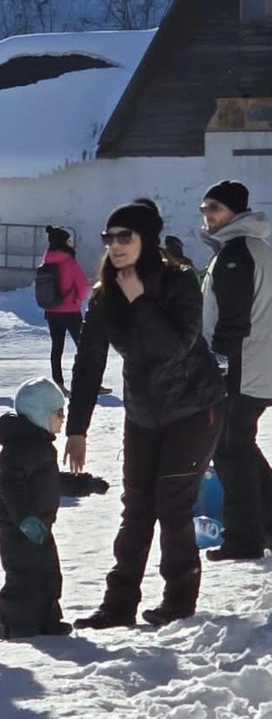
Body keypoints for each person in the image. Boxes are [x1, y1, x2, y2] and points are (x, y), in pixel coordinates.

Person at [66, 200, 226, 629]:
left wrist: (140, 301)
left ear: (146, 241)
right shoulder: (104, 295)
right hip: (144, 413)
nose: (114, 246)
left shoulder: (179, 282)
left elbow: (175, 349)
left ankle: (178, 601)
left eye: (124, 237)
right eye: (108, 238)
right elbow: (88, 363)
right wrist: (77, 429)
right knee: (136, 507)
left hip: (194, 407)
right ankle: (117, 605)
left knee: (173, 505)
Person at [197, 180, 272, 561]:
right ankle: (265, 527)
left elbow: (233, 321)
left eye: (215, 208)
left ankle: (244, 538)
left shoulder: (235, 255)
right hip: (258, 367)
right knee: (238, 445)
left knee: (228, 449)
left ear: (236, 213)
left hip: (242, 370)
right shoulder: (254, 248)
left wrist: (219, 368)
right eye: (204, 209)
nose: (208, 215)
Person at [0, 377, 72, 640]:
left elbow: (50, 481)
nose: (63, 419)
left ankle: (46, 618)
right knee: (23, 575)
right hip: (18, 528)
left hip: (40, 526)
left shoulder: (42, 447)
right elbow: (9, 485)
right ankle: (13, 622)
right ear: (40, 414)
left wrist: (84, 484)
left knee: (48, 573)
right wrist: (24, 518)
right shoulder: (20, 447)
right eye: (58, 413)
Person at [38, 226, 90, 394]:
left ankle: (59, 384)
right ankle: (88, 380)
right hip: (71, 311)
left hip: (52, 311)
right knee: (84, 347)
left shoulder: (46, 261)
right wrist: (77, 299)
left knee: (57, 347)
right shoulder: (69, 261)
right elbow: (83, 286)